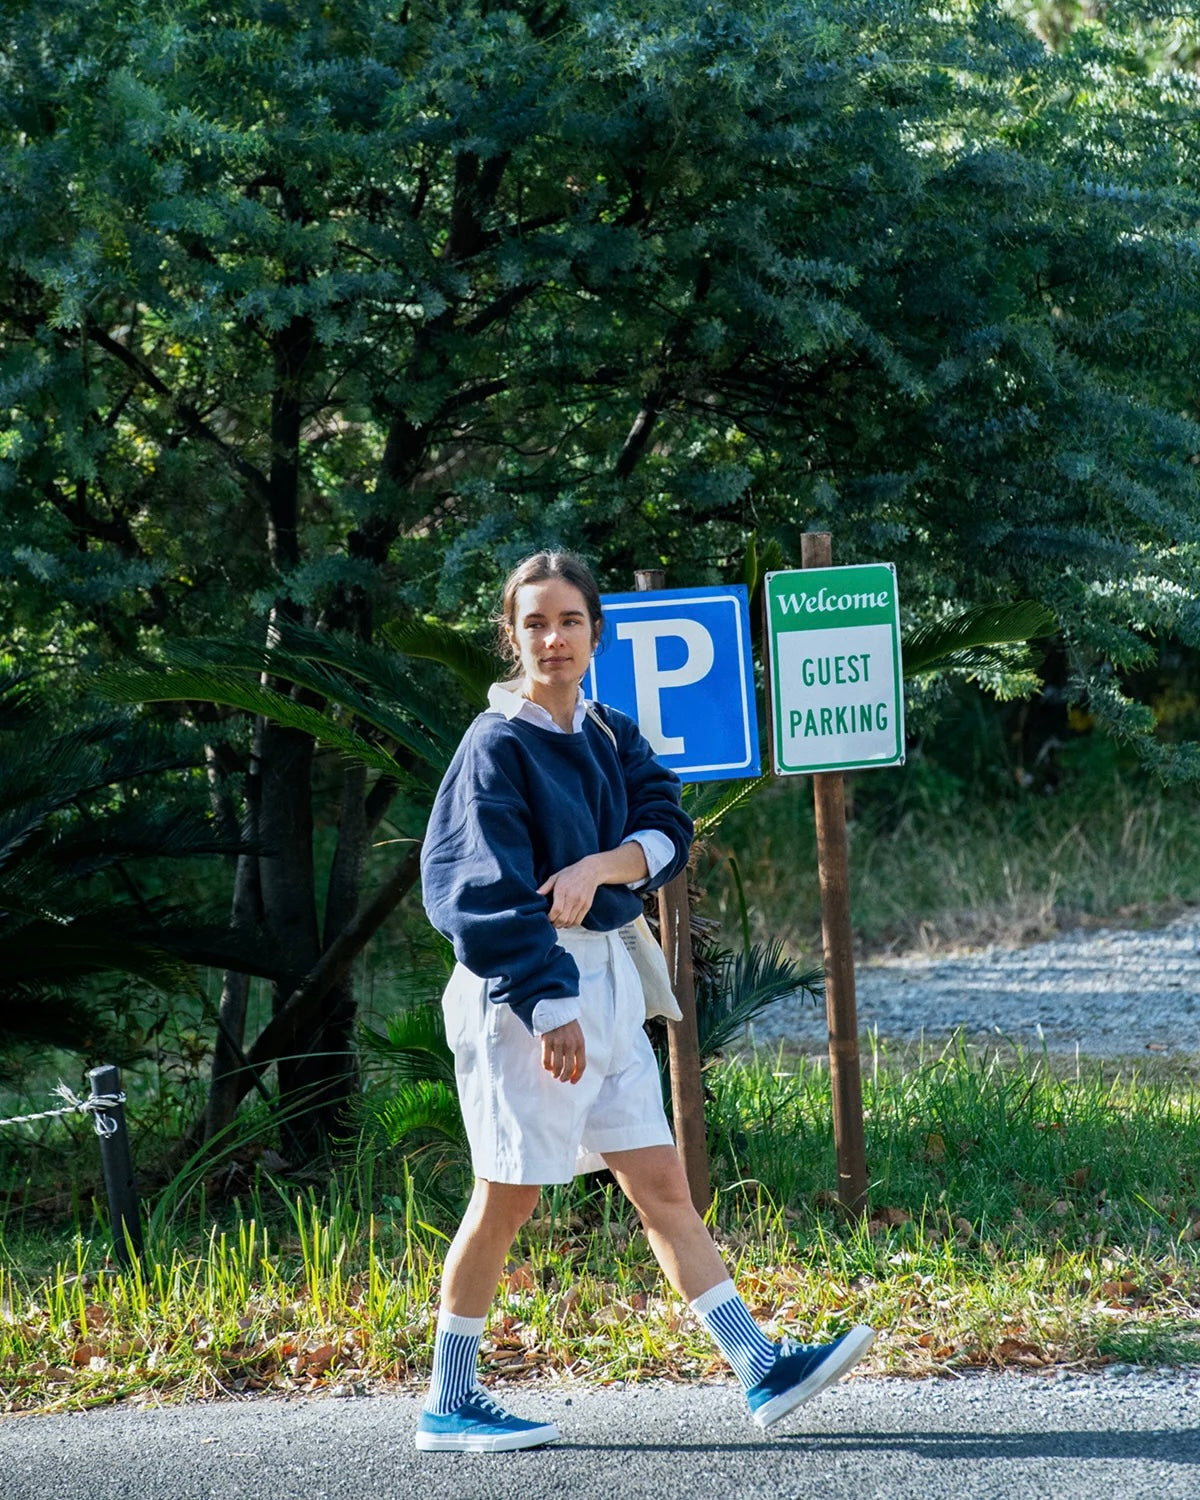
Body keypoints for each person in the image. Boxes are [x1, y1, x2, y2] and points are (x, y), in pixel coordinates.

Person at [415, 550, 873, 1453]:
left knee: (661, 1182)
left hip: (613, 980)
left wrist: (598, 865)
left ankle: (760, 1369)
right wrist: (549, 1006)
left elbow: (666, 827)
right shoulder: (494, 746)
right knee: (507, 1195)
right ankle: (449, 1399)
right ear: (511, 634)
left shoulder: (607, 732)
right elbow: (476, 894)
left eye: (570, 621)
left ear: (596, 632)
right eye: (536, 622)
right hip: (529, 991)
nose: (554, 639)